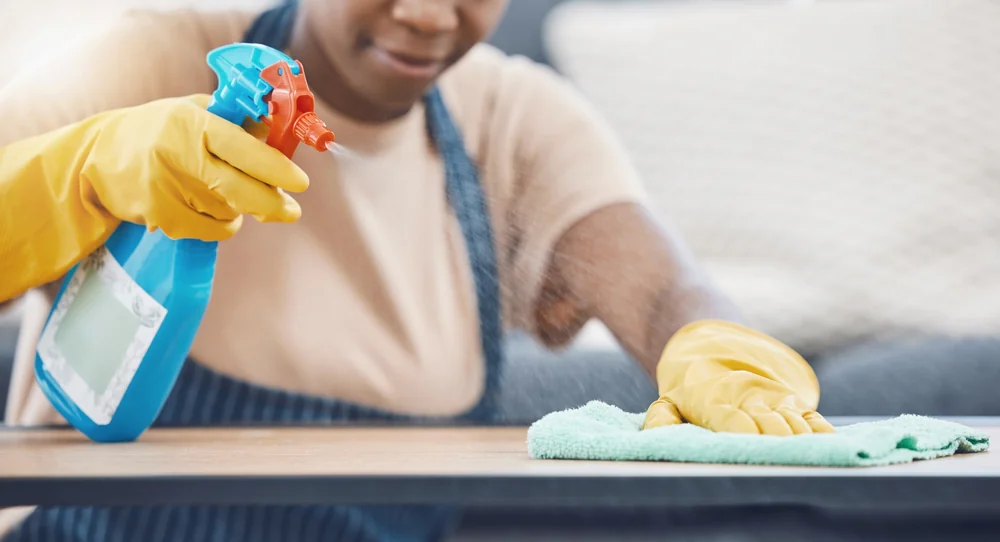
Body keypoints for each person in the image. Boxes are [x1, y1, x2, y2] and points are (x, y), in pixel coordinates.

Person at [0, 0, 833, 540]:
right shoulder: (143, 63)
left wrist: (711, 345)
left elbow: (659, 290)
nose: (430, 14)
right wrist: (77, 174)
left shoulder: (515, 120)